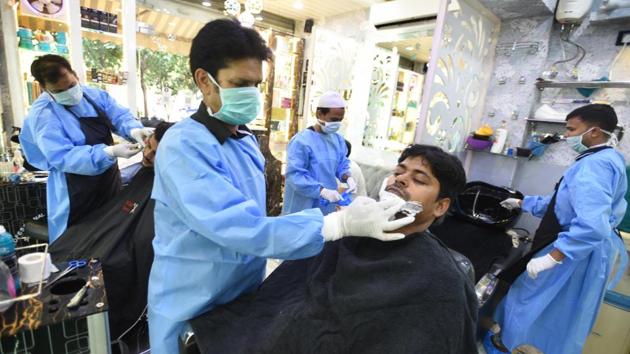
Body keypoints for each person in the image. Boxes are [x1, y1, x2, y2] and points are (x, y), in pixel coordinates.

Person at [147, 19, 414, 354]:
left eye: (257, 84)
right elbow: (241, 226)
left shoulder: (242, 141)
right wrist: (337, 223)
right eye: (240, 83)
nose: (252, 96)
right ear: (205, 81)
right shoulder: (183, 147)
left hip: (242, 292)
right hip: (192, 297)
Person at [190, 145, 478, 354]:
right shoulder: (347, 234)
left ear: (441, 206)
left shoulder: (442, 280)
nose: (400, 179)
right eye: (399, 172)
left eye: (419, 179)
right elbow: (281, 295)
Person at [491, 104, 629, 354]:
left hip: (576, 251)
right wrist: (523, 203)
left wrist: (553, 258)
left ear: (595, 131)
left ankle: (508, 347)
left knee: (532, 301)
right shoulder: (605, 159)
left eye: (571, 130)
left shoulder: (595, 166)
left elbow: (590, 224)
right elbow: (562, 202)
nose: (567, 136)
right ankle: (515, 344)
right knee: (553, 310)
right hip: (583, 248)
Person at [49, 122, 173, 342]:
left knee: (105, 263)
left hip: (119, 248)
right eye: (149, 147)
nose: (148, 156)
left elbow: (144, 238)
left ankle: (86, 335)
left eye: (156, 154)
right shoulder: (144, 173)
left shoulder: (167, 187)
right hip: (101, 232)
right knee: (63, 250)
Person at [19, 55, 154, 243]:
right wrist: (109, 152)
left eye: (71, 85)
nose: (69, 93)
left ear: (75, 74)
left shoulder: (94, 96)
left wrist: (134, 129)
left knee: (111, 238)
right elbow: (62, 156)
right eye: (59, 91)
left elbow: (119, 116)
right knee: (77, 246)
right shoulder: (43, 115)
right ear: (44, 88)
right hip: (74, 190)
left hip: (108, 182)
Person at [282, 91, 357, 215]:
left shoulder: (338, 140)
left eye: (340, 120)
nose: (337, 123)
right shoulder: (301, 141)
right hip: (301, 208)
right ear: (319, 113)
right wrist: (322, 191)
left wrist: (348, 178)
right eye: (333, 119)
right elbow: (295, 176)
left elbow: (341, 165)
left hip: (326, 208)